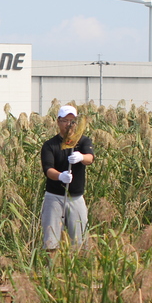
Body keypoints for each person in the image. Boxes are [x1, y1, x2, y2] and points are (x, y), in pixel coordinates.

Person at [40, 105, 95, 250]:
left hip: (76, 197)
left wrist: (81, 157)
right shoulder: (50, 145)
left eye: (72, 121)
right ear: (58, 122)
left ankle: (77, 270)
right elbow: (48, 169)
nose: (69, 124)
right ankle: (51, 269)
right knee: (51, 241)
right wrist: (60, 176)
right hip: (54, 197)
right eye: (65, 120)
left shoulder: (83, 142)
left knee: (79, 241)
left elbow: (90, 158)